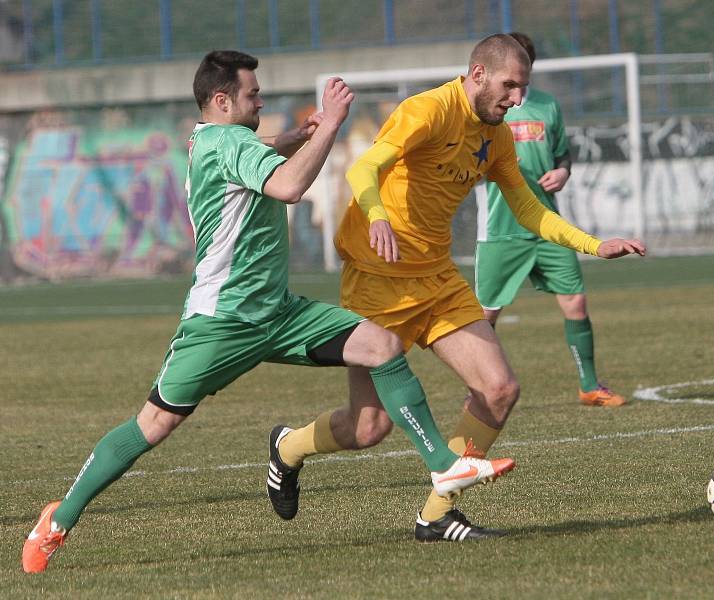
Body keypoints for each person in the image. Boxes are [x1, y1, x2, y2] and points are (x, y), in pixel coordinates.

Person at [21, 50, 514, 573]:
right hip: (223, 322)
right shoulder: (228, 142)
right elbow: (289, 187)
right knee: (153, 425)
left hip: (279, 312)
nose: (261, 101)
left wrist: (297, 137)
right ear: (222, 99)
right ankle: (58, 518)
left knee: (381, 344)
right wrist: (332, 125)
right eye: (253, 95)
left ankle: (443, 466)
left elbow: (260, 151)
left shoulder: (208, 138)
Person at [268, 34, 645, 543]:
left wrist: (593, 245)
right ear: (478, 74)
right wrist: (377, 216)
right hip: (378, 280)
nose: (516, 99)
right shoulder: (427, 110)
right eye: (509, 86)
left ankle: (437, 514)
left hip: (438, 278)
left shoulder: (499, 137)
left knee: (499, 389)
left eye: (523, 88)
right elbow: (364, 167)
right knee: (367, 428)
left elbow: (530, 208)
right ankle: (289, 448)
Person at [474, 32, 625, 407]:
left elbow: (563, 156)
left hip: (546, 224)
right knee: (484, 315)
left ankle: (589, 384)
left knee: (575, 302)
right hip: (501, 229)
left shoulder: (548, 106)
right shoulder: (486, 110)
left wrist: (562, 174)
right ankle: (477, 389)